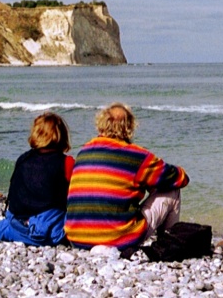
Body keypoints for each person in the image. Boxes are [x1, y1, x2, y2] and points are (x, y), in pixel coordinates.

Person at [64, 102, 189, 253]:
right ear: (129, 127)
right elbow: (180, 178)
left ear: (101, 124)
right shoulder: (136, 155)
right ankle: (169, 244)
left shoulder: (84, 151)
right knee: (172, 191)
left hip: (77, 238)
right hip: (119, 239)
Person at [0, 112, 74, 246]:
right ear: (61, 135)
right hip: (49, 225)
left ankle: (14, 231)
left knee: (6, 226)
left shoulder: (23, 159)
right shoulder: (66, 162)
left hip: (18, 222)